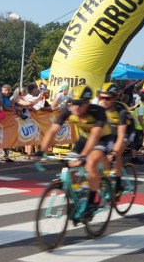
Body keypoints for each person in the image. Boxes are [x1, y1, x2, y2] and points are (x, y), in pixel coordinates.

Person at [37, 85, 114, 220]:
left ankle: (91, 201)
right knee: (69, 164)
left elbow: (95, 137)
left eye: (80, 104)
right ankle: (78, 194)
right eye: (73, 103)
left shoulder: (98, 111)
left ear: (87, 103)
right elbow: (52, 130)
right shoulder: (68, 110)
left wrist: (84, 156)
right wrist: (42, 150)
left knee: (90, 163)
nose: (76, 108)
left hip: (103, 138)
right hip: (85, 138)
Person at [96, 82, 135, 193]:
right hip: (111, 132)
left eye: (107, 98)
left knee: (116, 153)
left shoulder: (121, 110)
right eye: (101, 97)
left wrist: (113, 153)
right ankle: (107, 175)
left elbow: (121, 135)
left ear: (114, 98)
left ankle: (117, 185)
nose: (103, 100)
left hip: (127, 131)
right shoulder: (99, 108)